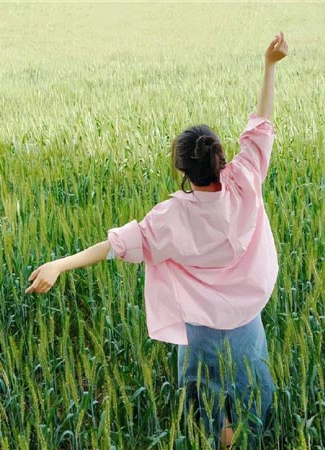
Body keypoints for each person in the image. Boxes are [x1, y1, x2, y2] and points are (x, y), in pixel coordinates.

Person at [25, 32, 288, 449]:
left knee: (204, 400)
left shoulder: (170, 217)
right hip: (245, 322)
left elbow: (113, 246)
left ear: (182, 171)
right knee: (249, 392)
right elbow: (261, 127)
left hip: (199, 328)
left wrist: (60, 264)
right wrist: (270, 65)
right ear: (221, 156)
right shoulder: (246, 182)